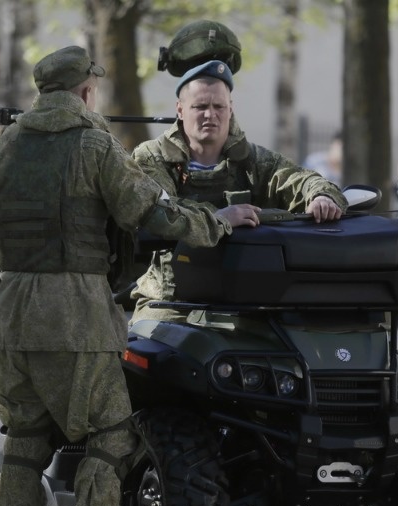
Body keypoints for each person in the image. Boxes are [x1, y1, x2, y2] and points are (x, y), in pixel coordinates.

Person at [0, 45, 257, 506]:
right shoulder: (96, 145)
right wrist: (217, 219)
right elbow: (153, 215)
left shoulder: (2, 153)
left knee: (24, 443)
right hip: (77, 311)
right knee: (110, 436)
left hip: (12, 312)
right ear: (84, 91)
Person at [129, 59, 347, 324]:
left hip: (245, 298)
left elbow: (299, 179)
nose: (210, 115)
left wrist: (321, 196)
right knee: (156, 348)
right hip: (172, 299)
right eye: (200, 106)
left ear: (230, 109)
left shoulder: (253, 161)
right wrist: (222, 218)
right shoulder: (152, 157)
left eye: (218, 106)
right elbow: (164, 214)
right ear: (180, 109)